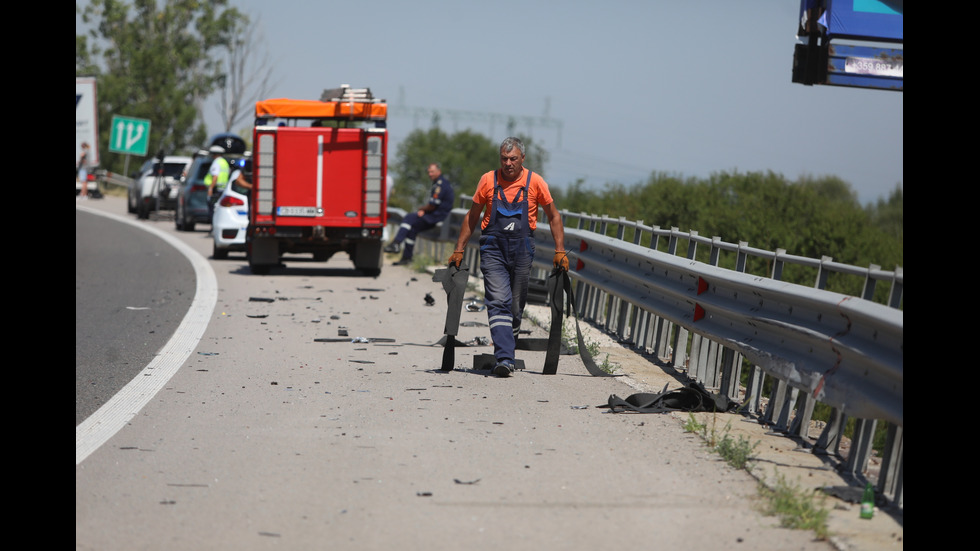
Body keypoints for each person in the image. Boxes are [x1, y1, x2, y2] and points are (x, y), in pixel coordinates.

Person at [447, 137, 568, 377]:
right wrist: (459, 248)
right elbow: (472, 217)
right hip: (493, 248)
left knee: (514, 306)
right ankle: (504, 357)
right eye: (504, 158)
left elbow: (554, 216)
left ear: (523, 158)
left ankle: (506, 351)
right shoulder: (487, 180)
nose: (508, 163)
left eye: (513, 159)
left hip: (523, 249)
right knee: (498, 300)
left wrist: (560, 250)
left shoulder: (535, 182)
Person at [384, 163, 455, 265]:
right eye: (428, 172)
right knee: (412, 229)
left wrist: (422, 209)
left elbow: (432, 205)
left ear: (439, 172)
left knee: (409, 218)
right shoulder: (438, 183)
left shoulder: (440, 184)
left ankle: (396, 243)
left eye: (432, 172)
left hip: (436, 216)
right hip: (434, 214)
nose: (430, 174)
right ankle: (406, 258)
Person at [205, 145, 230, 219]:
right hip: (223, 190)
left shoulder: (216, 163)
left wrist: (210, 189)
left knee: (212, 210)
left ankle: (213, 227)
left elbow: (215, 177)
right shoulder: (224, 162)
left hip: (216, 190)